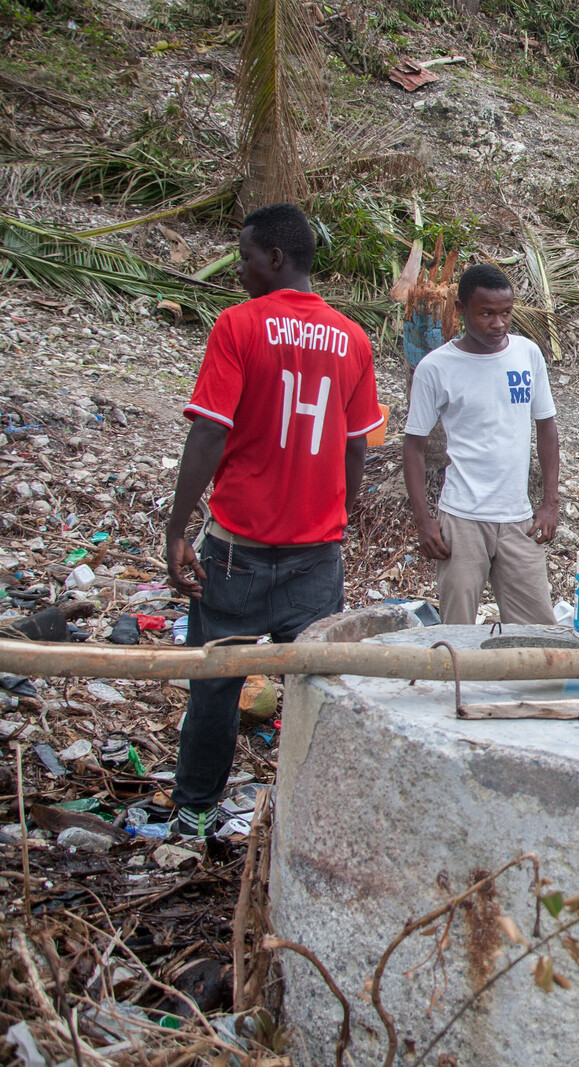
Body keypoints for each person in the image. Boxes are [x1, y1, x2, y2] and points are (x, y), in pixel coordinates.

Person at [165, 202, 383, 839]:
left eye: (246, 257)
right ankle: (314, 813)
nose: (239, 268)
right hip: (317, 553)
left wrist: (179, 529)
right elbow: (355, 444)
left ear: (277, 258)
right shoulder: (353, 337)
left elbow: (210, 431)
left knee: (214, 683)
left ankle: (196, 809)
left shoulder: (238, 326)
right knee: (319, 686)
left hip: (236, 547)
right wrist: (338, 512)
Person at [402, 263, 560, 626]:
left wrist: (550, 503)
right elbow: (413, 446)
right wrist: (424, 521)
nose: (499, 323)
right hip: (461, 519)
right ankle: (457, 685)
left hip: (519, 521)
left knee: (538, 631)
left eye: (506, 313)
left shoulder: (527, 354)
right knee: (457, 632)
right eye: (486, 313)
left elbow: (547, 429)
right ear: (460, 310)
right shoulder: (437, 368)